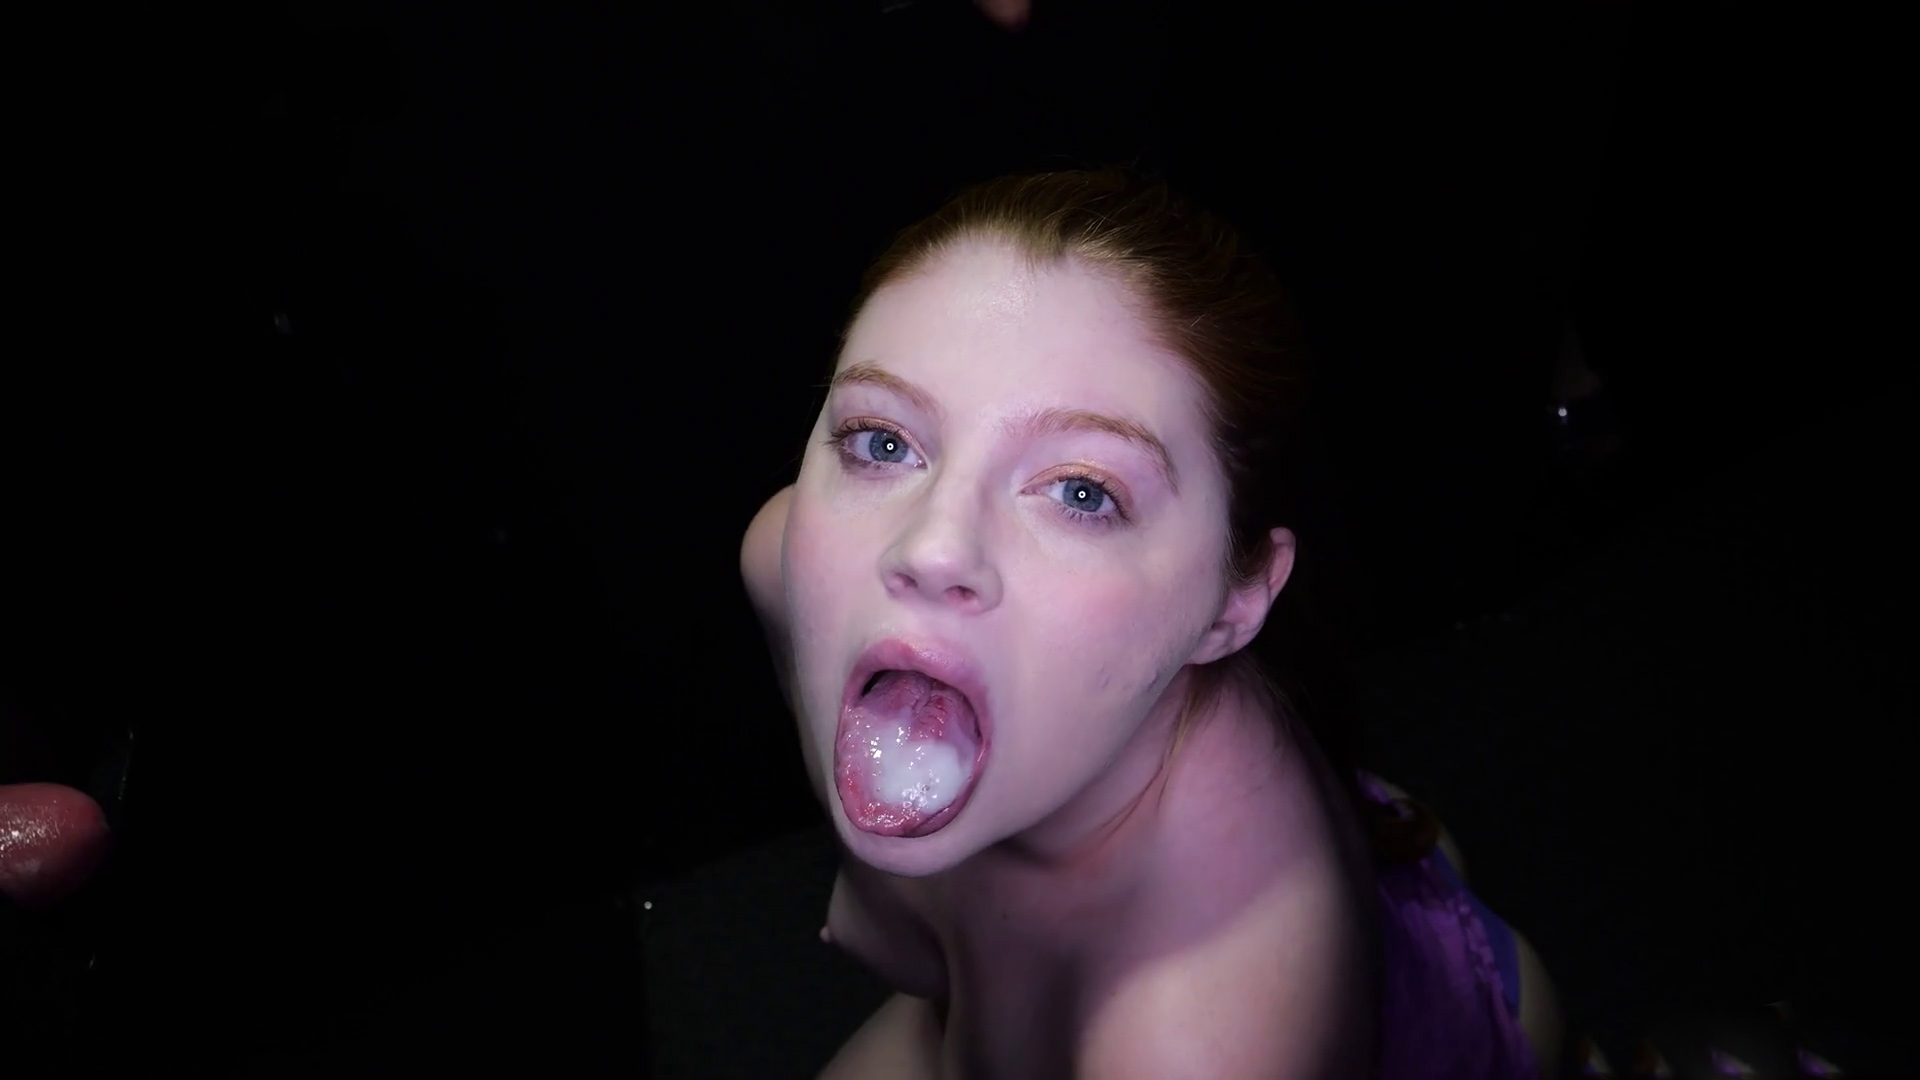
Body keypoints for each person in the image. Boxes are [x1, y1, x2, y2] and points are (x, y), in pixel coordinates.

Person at [740, 169, 1562, 1078]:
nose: (931, 548)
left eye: (1082, 493)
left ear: (1233, 603)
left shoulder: (1205, 1044)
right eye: (884, 442)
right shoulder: (785, 560)